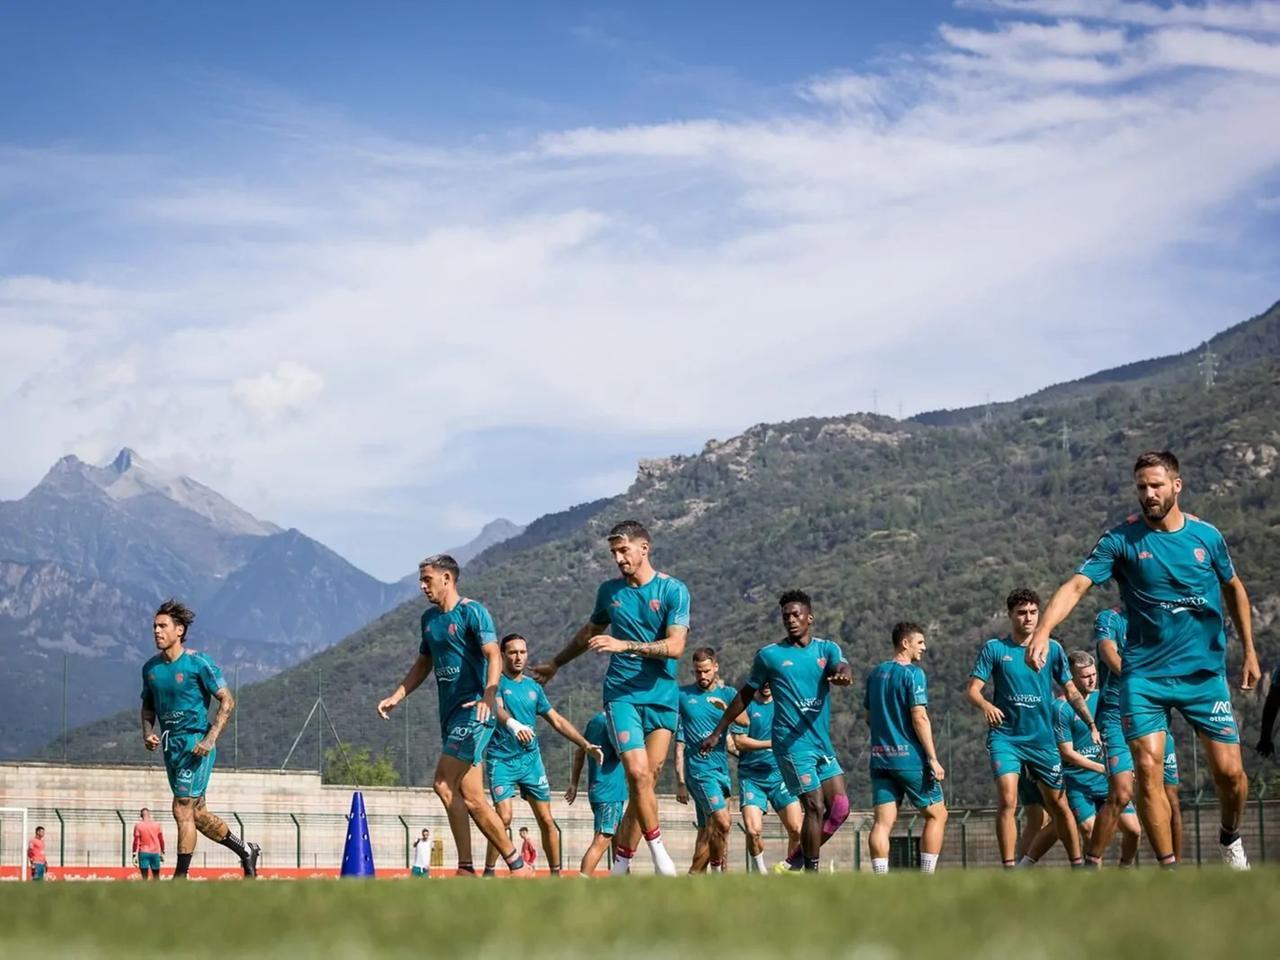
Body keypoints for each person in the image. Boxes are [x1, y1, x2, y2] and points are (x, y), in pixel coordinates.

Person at [1027, 451, 1259, 869]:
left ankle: (1229, 835)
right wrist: (1043, 630)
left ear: (1176, 486)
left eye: (1156, 485)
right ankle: (1169, 870)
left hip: (1203, 675)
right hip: (1144, 678)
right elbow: (1076, 585)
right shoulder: (1120, 540)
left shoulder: (1207, 537)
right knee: (1147, 773)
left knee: (1231, 776)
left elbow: (1234, 588)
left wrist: (1249, 650)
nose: (1148, 494)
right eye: (1141, 487)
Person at [532, 521, 687, 876]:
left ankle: (622, 863)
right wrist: (556, 663)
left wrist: (625, 645)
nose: (618, 558)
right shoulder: (609, 592)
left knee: (648, 780)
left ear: (644, 547)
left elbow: (676, 646)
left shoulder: (673, 590)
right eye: (614, 553)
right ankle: (660, 855)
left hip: (663, 696)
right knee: (636, 772)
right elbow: (589, 632)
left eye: (623, 550)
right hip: (622, 695)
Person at [377, 555, 529, 877]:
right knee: (472, 798)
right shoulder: (429, 620)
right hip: (449, 717)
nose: (422, 586)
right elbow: (424, 663)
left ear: (447, 579)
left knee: (444, 784)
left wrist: (489, 694)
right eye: (421, 580)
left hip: (475, 711)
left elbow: (493, 654)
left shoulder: (472, 612)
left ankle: (465, 869)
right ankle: (517, 866)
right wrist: (397, 695)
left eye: (427, 579)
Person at [701, 589, 853, 873]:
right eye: (786, 616)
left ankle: (792, 863)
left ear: (810, 617)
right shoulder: (769, 655)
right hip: (791, 745)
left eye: (796, 615)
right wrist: (718, 731)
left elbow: (841, 665)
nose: (791, 620)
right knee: (815, 807)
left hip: (821, 744)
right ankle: (811, 873)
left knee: (840, 809)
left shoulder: (826, 649)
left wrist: (844, 673)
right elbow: (744, 695)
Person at [967, 588, 1095, 868]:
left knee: (1059, 806)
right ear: (1010, 615)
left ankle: (1078, 865)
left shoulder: (1053, 649)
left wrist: (1091, 723)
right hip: (1006, 738)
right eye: (1022, 613)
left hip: (1042, 739)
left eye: (1033, 612)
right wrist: (986, 705)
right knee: (1007, 799)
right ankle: (1009, 868)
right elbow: (973, 690)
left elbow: (1071, 691)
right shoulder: (995, 649)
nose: (1028, 618)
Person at [141, 599, 259, 879]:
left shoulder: (198, 663)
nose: (156, 631)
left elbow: (227, 701)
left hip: (196, 745)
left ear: (179, 630)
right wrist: (147, 732)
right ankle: (246, 850)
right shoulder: (150, 669)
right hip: (170, 746)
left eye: (163, 626)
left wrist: (210, 739)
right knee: (198, 814)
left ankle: (180, 877)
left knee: (181, 806)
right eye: (154, 626)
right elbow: (147, 705)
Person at [482, 633, 603, 876]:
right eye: (513, 652)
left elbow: (557, 720)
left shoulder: (533, 688)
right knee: (504, 818)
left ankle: (555, 875)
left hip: (531, 762)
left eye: (522, 652)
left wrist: (585, 744)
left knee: (547, 820)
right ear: (503, 655)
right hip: (501, 760)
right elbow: (497, 710)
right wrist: (515, 726)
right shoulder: (496, 682)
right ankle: (489, 872)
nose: (518, 657)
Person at [1028, 652, 1142, 866]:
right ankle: (1093, 881)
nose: (1092, 680)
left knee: (1134, 831)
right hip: (1077, 783)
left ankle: (1124, 871)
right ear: (1071, 678)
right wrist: (1103, 768)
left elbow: (1121, 736)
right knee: (1089, 832)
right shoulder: (1060, 708)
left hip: (1106, 782)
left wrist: (1125, 767)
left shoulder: (1105, 699)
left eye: (1094, 674)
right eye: (1085, 676)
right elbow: (1067, 753)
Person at [1087, 607, 1178, 866]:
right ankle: (1090, 864)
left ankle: (1170, 867)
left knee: (1164, 793)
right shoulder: (1110, 618)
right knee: (1122, 792)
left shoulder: (1160, 618)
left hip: (1151, 713)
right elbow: (1108, 652)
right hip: (1115, 713)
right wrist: (1138, 682)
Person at [864, 622, 948, 874]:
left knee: (882, 823)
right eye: (920, 642)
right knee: (937, 815)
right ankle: (927, 877)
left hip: (880, 759)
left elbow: (869, 717)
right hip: (909, 760)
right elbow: (919, 717)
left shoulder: (875, 674)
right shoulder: (913, 674)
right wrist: (932, 758)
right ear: (905, 643)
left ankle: (880, 879)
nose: (924, 647)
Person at [674, 648, 741, 873]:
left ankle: (704, 875)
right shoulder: (682, 695)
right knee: (722, 822)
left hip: (721, 771)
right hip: (699, 771)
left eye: (705, 671)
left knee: (710, 830)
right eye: (697, 672)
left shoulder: (728, 694)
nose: (701, 676)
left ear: (715, 667)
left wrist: (725, 708)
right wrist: (680, 782)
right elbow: (677, 746)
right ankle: (708, 872)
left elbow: (743, 721)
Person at [730, 680, 803, 874]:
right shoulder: (745, 704)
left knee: (797, 829)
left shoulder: (784, 704)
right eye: (763, 679)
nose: (766, 684)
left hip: (781, 776)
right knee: (753, 831)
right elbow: (739, 742)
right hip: (751, 778)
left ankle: (791, 873)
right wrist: (771, 744)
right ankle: (760, 874)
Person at [565, 710, 627, 876]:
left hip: (600, 790)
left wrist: (574, 784)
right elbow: (626, 752)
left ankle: (624, 882)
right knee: (603, 838)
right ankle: (581, 881)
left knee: (620, 842)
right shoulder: (616, 722)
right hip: (609, 792)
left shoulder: (594, 721)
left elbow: (580, 753)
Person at [132, 807, 165, 880]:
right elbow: (161, 839)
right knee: (156, 876)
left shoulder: (138, 825)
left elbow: (136, 841)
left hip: (143, 852)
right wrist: (163, 851)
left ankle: (145, 886)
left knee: (144, 877)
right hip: (155, 852)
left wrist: (134, 854)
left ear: (141, 815)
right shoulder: (157, 825)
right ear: (149, 815)